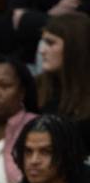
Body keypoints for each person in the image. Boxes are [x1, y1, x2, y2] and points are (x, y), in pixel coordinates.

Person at [37, 13, 90, 152]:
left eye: (50, 43)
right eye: (43, 42)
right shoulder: (37, 86)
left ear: (75, 47)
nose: (42, 51)